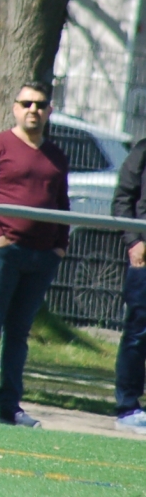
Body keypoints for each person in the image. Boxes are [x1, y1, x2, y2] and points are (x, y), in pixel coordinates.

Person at [0, 81, 70, 428]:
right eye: (26, 104)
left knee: (19, 332)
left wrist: (59, 245)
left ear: (49, 111)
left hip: (42, 257)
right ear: (15, 108)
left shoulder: (56, 155)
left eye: (40, 104)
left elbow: (62, 204)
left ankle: (9, 405)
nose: (33, 110)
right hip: (5, 253)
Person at [112, 136, 146, 435]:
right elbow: (123, 199)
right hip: (144, 259)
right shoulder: (142, 151)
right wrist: (134, 240)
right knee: (138, 332)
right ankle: (128, 407)